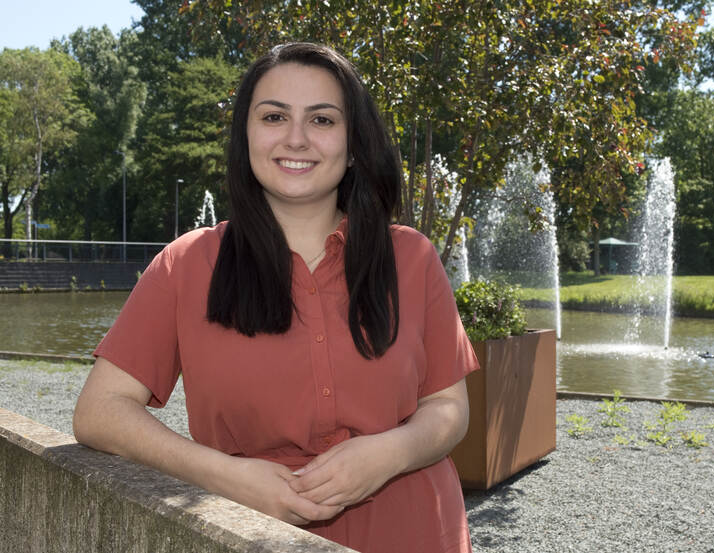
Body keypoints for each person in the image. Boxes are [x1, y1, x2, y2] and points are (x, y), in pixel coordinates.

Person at [73, 42, 479, 553]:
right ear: (246, 135)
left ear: (353, 143)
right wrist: (225, 476)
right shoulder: (187, 264)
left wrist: (389, 453)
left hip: (416, 534)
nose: (296, 138)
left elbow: (448, 408)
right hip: (250, 536)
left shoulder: (411, 258)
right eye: (273, 116)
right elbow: (99, 412)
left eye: (323, 120)